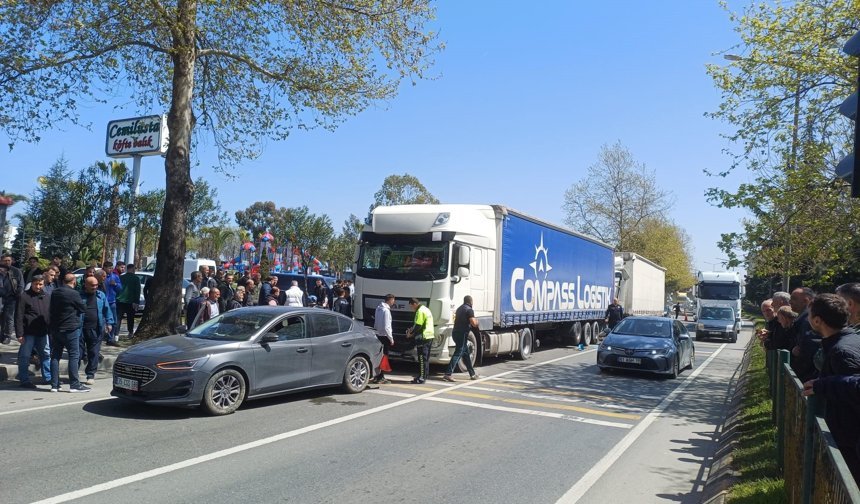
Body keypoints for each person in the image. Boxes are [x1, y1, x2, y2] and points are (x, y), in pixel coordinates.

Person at [49, 273, 87, 393]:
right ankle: (74, 384)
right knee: (73, 355)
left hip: (56, 328)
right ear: (74, 281)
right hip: (70, 328)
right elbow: (82, 308)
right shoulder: (74, 293)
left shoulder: (55, 292)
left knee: (55, 356)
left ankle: (55, 384)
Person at [810, 293, 860, 378]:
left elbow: (851, 388)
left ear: (817, 321)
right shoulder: (854, 337)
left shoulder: (841, 353)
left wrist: (822, 386)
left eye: (808, 315)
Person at [15, 275, 51, 388]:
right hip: (28, 332)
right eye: (36, 284)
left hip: (43, 331)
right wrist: (19, 334)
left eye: (41, 284)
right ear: (32, 283)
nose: (38, 286)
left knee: (45, 354)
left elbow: (50, 314)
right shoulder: (24, 296)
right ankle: (24, 380)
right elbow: (18, 316)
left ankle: (48, 378)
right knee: (24, 356)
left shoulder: (47, 296)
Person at [79, 276, 114, 383]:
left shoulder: (100, 295)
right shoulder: (79, 295)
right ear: (86, 285)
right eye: (92, 285)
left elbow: (107, 309)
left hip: (96, 328)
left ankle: (90, 375)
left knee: (94, 352)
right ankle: (74, 374)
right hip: (80, 329)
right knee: (78, 353)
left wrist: (109, 322)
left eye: (96, 285)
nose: (95, 287)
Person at [442, 295, 481, 382]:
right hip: (462, 334)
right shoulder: (469, 310)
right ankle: (448, 374)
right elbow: (474, 323)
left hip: (455, 333)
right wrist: (477, 322)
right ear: (471, 302)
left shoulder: (459, 308)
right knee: (458, 352)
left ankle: (472, 374)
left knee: (466, 353)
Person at [790, 287, 819, 382]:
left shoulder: (807, 321)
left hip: (806, 377)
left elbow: (808, 350)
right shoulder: (802, 319)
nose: (790, 302)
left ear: (806, 301)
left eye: (794, 299)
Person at [406, 298, 434, 384]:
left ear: (414, 304)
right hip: (429, 336)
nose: (411, 308)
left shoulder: (420, 311)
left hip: (423, 337)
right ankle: (424, 375)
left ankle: (421, 378)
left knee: (422, 358)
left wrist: (411, 333)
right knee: (426, 358)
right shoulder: (426, 309)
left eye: (411, 306)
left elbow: (418, 325)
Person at [371, 294, 395, 384]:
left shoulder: (378, 309)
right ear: (390, 300)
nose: (394, 302)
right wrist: (391, 338)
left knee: (378, 356)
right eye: (393, 300)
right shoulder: (386, 311)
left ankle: (377, 376)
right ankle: (381, 376)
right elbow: (387, 326)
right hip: (385, 336)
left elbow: (376, 323)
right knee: (384, 357)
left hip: (378, 334)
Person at [0, 254, 23, 344]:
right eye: (5, 260)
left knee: (9, 317)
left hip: (11, 298)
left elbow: (21, 285)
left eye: (9, 260)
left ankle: (7, 335)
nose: (7, 262)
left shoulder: (16, 271)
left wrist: (18, 295)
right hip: (0, 297)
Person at [115, 263, 140, 339]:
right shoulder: (136, 278)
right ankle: (130, 332)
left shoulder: (121, 277)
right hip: (131, 301)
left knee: (118, 318)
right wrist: (137, 302)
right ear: (132, 269)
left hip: (120, 300)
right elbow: (137, 291)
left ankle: (116, 334)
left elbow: (118, 288)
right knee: (130, 318)